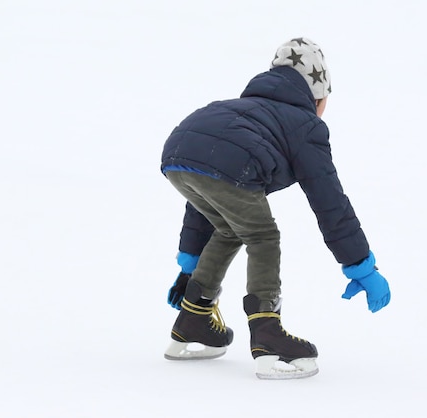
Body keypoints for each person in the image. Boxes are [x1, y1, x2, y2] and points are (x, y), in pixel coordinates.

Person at [160, 37, 391, 379]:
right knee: (262, 236)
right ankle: (267, 334)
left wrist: (189, 263)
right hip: (218, 164)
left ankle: (193, 319)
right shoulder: (305, 125)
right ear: (317, 97)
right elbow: (330, 203)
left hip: (177, 152)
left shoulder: (238, 111)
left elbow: (207, 194)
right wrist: (360, 267)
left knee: (229, 227)